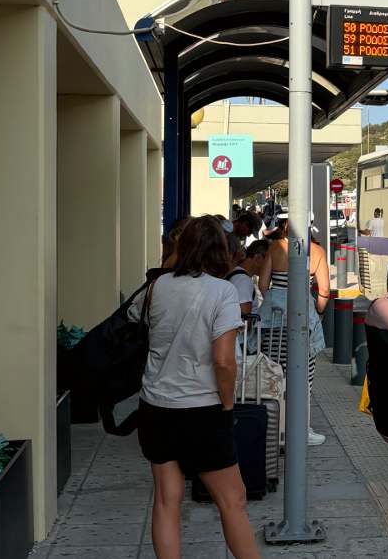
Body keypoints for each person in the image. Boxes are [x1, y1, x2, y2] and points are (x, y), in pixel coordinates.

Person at [131, 215, 260, 559]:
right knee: (233, 501)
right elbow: (223, 361)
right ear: (221, 249)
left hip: (155, 407)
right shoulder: (223, 292)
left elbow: (133, 321)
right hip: (202, 409)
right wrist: (228, 405)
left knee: (165, 501)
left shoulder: (157, 287)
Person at [257, 215, 330, 446]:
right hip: (302, 320)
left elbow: (262, 284)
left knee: (274, 372)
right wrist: (317, 311)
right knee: (303, 377)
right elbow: (325, 291)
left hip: (273, 320)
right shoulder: (317, 252)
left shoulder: (274, 247)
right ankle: (301, 429)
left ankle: (273, 428)